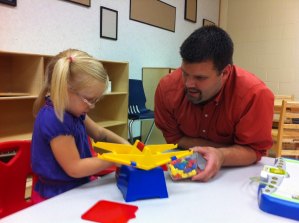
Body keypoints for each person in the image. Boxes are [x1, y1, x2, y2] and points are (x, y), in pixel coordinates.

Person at [154, 25, 274, 182]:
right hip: (184, 171)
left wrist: (221, 155)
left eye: (200, 78)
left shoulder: (255, 95)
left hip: (234, 176)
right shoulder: (167, 88)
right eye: (185, 73)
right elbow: (173, 138)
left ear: (225, 73)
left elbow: (254, 150)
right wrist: (224, 149)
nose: (188, 84)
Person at [31, 49, 129, 202]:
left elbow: (100, 133)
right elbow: (75, 168)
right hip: (56, 197)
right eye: (90, 99)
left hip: (78, 186)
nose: (93, 106)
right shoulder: (55, 119)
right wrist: (113, 159)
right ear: (64, 89)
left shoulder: (73, 110)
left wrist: (127, 146)